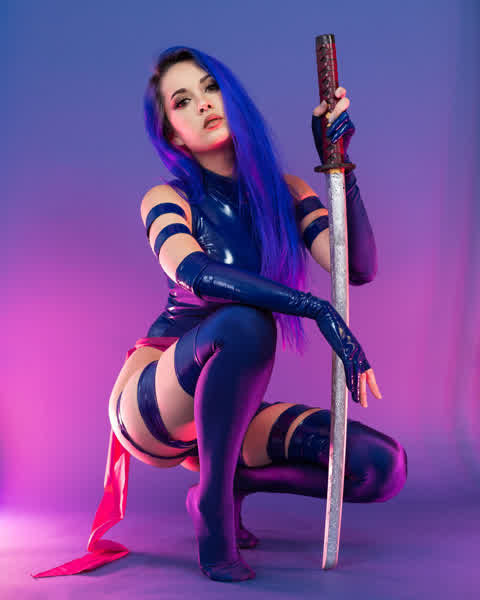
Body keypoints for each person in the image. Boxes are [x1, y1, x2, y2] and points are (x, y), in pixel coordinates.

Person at [31, 45, 407, 584]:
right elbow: (195, 271)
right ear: (174, 136)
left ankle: (229, 481)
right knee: (246, 321)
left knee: (380, 466)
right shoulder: (166, 198)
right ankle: (213, 508)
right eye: (183, 101)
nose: (204, 103)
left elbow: (358, 267)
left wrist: (340, 165)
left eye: (210, 88)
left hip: (228, 409)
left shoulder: (287, 193)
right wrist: (313, 308)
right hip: (155, 399)